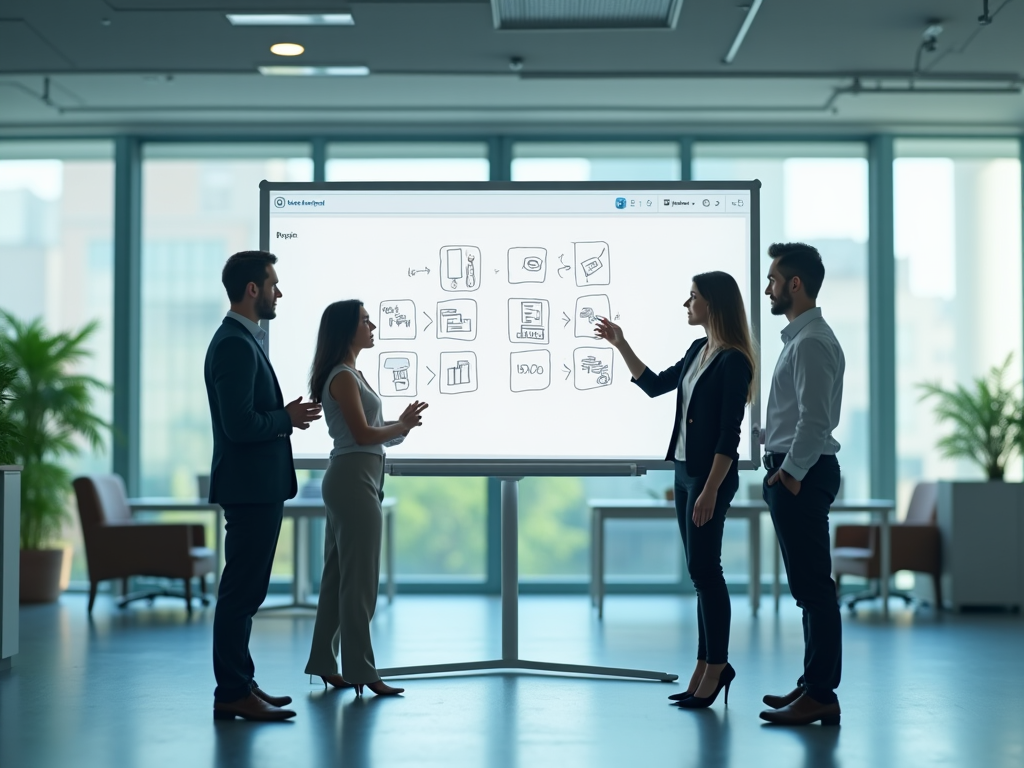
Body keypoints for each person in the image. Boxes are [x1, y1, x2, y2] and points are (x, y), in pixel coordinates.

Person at [595, 271, 755, 710]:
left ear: (714, 305)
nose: (686, 305)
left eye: (693, 297)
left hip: (709, 480)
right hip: (683, 474)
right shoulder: (698, 350)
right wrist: (620, 344)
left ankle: (717, 666)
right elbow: (653, 386)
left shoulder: (734, 361)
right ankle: (705, 666)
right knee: (699, 574)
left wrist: (709, 490)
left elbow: (729, 437)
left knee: (708, 572)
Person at [205, 250, 323, 722]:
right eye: (273, 283)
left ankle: (240, 683)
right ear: (252, 289)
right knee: (242, 593)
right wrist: (286, 419)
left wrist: (282, 418)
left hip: (257, 487)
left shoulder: (241, 339)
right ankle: (232, 691)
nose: (279, 292)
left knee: (247, 591)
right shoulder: (234, 343)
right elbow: (239, 425)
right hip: (251, 488)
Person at [304, 300, 428, 696]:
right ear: (346, 330)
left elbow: (372, 431)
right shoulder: (342, 376)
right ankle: (361, 671)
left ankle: (325, 662)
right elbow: (361, 434)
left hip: (357, 476)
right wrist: (401, 424)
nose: (373, 325)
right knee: (359, 583)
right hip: (353, 480)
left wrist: (400, 428)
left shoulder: (351, 373)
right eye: (364, 320)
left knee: (338, 577)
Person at [758, 242, 845, 726]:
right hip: (794, 470)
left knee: (814, 588)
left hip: (802, 475)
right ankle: (812, 685)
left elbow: (816, 421)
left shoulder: (811, 342)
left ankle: (822, 694)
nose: (768, 287)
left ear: (795, 284)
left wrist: (788, 474)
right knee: (807, 587)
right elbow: (793, 418)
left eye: (773, 279)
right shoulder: (799, 340)